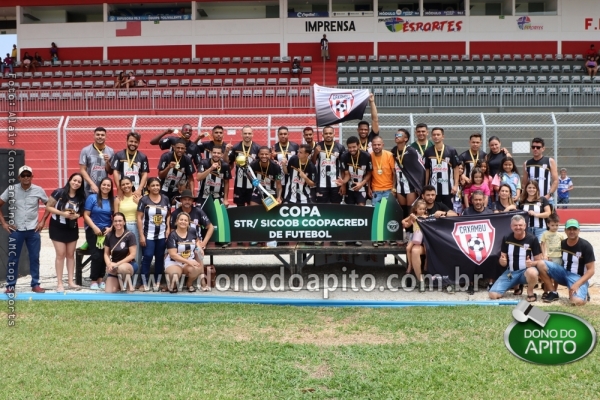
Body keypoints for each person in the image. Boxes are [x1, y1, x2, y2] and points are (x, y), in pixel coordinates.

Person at [0, 166, 48, 294]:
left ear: (32, 176)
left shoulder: (38, 190)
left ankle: (35, 284)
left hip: (33, 230)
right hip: (16, 231)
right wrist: (4, 223)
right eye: (23, 175)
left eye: (28, 175)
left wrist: (43, 221)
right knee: (13, 258)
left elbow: (49, 204)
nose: (26, 177)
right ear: (19, 177)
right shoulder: (11, 189)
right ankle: (10, 285)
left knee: (34, 257)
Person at [489, 214, 550, 302]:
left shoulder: (532, 239)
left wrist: (531, 263)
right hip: (511, 272)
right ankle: (516, 285)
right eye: (515, 225)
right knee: (493, 295)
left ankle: (530, 292)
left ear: (525, 226)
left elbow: (539, 261)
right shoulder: (506, 238)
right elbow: (503, 261)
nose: (518, 227)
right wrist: (502, 261)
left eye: (520, 225)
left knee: (532, 272)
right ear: (511, 226)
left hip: (525, 272)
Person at [43, 173, 86, 292]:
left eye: (79, 182)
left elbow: (82, 212)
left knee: (70, 254)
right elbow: (48, 207)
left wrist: (76, 215)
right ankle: (59, 283)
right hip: (57, 226)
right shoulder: (59, 192)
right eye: (74, 180)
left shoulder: (81, 196)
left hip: (72, 227)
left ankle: (71, 281)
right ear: (70, 180)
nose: (76, 183)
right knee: (61, 254)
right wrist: (62, 214)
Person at [538, 219, 595, 305]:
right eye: (569, 229)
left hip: (577, 277)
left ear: (579, 230)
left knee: (576, 301)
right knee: (541, 264)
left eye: (574, 229)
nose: (572, 231)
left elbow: (591, 270)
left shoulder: (585, 246)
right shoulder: (562, 243)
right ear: (565, 230)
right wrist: (548, 257)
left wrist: (577, 284)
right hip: (563, 273)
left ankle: (583, 292)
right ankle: (553, 292)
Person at [137, 177, 171, 290]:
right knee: (147, 257)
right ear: (148, 187)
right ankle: (144, 282)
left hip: (161, 234)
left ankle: (157, 282)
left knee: (160, 258)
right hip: (148, 234)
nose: (155, 187)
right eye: (153, 185)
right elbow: (139, 217)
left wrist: (168, 229)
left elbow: (169, 214)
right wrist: (141, 235)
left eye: (157, 185)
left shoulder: (165, 199)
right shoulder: (144, 200)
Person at [83, 177, 115, 290]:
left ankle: (101, 278)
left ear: (111, 188)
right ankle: (93, 280)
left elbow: (116, 217)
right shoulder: (92, 198)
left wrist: (111, 228)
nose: (106, 187)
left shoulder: (113, 200)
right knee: (96, 255)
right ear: (100, 185)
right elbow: (86, 215)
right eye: (104, 184)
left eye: (108, 185)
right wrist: (94, 227)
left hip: (107, 232)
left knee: (104, 255)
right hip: (93, 230)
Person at [164, 212, 205, 293]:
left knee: (197, 268)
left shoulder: (192, 231)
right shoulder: (172, 235)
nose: (183, 222)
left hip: (188, 260)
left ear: (188, 222)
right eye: (181, 220)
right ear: (177, 221)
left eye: (186, 220)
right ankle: (173, 285)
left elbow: (196, 241)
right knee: (175, 274)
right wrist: (189, 262)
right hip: (174, 262)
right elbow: (173, 255)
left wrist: (199, 247)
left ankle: (189, 284)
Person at [423, 127, 460, 209]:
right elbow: (427, 170)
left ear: (443, 136)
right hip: (433, 189)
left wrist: (456, 185)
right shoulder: (428, 151)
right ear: (431, 137)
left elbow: (456, 168)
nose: (436, 136)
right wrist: (426, 186)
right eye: (434, 135)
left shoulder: (451, 150)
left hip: (448, 188)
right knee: (434, 211)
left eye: (438, 134)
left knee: (448, 210)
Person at [103, 212, 138, 293]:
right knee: (109, 291)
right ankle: (119, 283)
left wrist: (117, 264)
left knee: (122, 268)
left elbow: (132, 255)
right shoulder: (109, 236)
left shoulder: (130, 235)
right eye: (115, 221)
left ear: (124, 222)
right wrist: (109, 264)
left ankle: (129, 286)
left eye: (120, 221)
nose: (117, 223)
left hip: (129, 265)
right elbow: (106, 253)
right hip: (114, 266)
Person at [229, 125, 261, 207]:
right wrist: (226, 152)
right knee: (240, 207)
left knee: (252, 207)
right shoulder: (236, 147)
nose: (247, 135)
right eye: (245, 133)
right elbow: (228, 161)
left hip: (253, 183)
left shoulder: (258, 148)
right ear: (241, 134)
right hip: (239, 184)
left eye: (249, 133)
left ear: (252, 134)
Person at [109, 131, 149, 198]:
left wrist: (139, 189)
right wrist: (119, 189)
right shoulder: (119, 155)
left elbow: (144, 174)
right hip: (123, 190)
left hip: (137, 190)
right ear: (127, 141)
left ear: (138, 143)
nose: (133, 144)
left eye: (135, 142)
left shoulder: (143, 157)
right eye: (131, 141)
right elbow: (115, 172)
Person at [312, 125, 345, 205]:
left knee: (336, 205)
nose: (328, 135)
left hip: (336, 183)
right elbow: (312, 163)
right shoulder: (317, 146)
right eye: (326, 133)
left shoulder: (340, 147)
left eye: (330, 133)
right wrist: (315, 153)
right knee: (322, 207)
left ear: (334, 134)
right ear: (322, 135)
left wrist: (343, 184)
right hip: (321, 183)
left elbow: (343, 168)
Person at [114, 177, 142, 267]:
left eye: (127, 183)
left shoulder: (138, 198)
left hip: (135, 226)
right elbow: (116, 216)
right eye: (123, 184)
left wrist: (139, 203)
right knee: (123, 252)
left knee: (136, 253)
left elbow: (144, 214)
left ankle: (135, 279)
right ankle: (123, 276)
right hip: (122, 228)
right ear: (121, 187)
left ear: (132, 184)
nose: (126, 186)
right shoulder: (118, 199)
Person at [522, 137, 558, 205]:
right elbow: (524, 183)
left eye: (538, 147)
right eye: (533, 147)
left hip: (547, 199)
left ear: (543, 148)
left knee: (549, 216)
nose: (535, 149)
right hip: (532, 200)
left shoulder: (550, 161)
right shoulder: (526, 163)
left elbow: (556, 181)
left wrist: (548, 195)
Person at [79, 127, 115, 196]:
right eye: (97, 135)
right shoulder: (86, 150)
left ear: (105, 137)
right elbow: (82, 170)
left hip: (104, 188)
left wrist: (107, 162)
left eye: (102, 135)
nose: (100, 137)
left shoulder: (111, 151)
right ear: (94, 136)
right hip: (89, 188)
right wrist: (92, 184)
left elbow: (110, 172)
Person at [158, 138, 194, 203]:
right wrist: (168, 167)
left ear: (185, 149)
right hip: (163, 188)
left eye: (182, 148)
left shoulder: (187, 160)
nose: (180, 150)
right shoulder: (166, 156)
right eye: (178, 148)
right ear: (174, 148)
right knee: (164, 207)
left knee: (181, 205)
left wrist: (191, 193)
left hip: (177, 190)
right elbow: (160, 175)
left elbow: (191, 177)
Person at [339, 136, 372, 207]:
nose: (352, 149)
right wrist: (343, 183)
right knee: (350, 210)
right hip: (349, 188)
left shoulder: (367, 156)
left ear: (358, 145)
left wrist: (361, 184)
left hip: (362, 187)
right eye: (349, 147)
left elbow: (369, 173)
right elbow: (347, 174)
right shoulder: (344, 156)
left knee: (361, 206)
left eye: (354, 147)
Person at [402, 199, 427, 281]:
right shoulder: (413, 215)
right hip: (415, 235)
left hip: (423, 236)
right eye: (420, 209)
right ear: (416, 209)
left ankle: (426, 263)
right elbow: (404, 221)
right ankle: (410, 265)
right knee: (408, 248)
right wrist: (405, 223)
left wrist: (417, 218)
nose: (422, 211)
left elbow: (425, 222)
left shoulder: (425, 216)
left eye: (423, 209)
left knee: (427, 248)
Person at [272, 126, 300, 196]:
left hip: (292, 178)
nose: (283, 136)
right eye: (281, 134)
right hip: (279, 179)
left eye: (285, 134)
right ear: (278, 135)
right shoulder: (274, 147)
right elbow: (271, 162)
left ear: (288, 134)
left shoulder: (295, 146)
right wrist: (271, 157)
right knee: (279, 199)